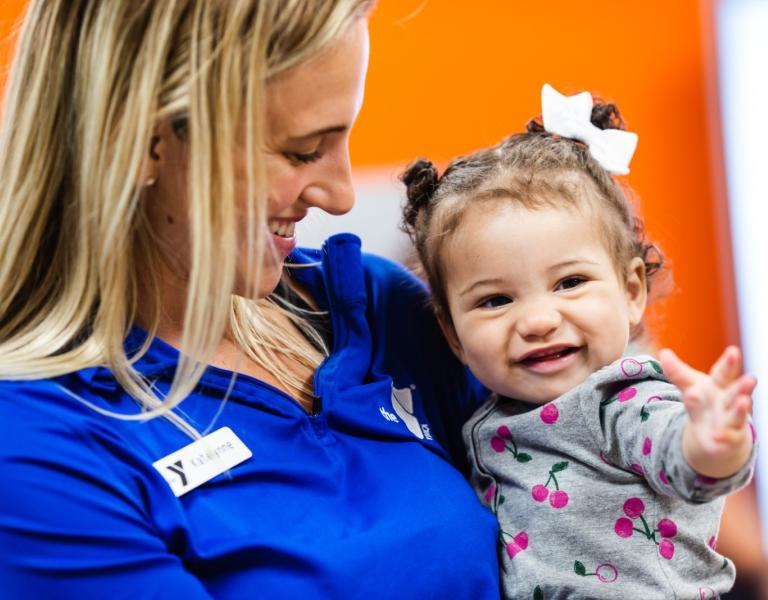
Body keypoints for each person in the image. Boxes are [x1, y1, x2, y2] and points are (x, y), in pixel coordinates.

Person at [0, 2, 500, 598]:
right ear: (143, 139)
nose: (341, 196)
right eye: (302, 150)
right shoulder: (40, 450)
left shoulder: (373, 307)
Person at [400, 83, 757, 599]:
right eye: (496, 300)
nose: (539, 320)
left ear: (631, 290)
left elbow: (683, 459)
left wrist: (713, 442)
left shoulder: (623, 400)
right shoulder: (485, 419)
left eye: (569, 283)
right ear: (452, 334)